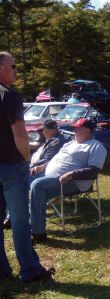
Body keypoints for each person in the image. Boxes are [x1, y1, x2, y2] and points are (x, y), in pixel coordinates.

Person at [0, 52, 54, 282]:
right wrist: (25, 159)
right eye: (13, 66)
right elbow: (20, 135)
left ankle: (2, 272)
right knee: (21, 221)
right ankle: (30, 271)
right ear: (1, 68)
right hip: (12, 166)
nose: (16, 70)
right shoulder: (10, 96)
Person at [30, 118, 107, 242]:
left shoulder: (96, 146)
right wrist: (43, 166)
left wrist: (71, 174)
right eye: (75, 128)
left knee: (37, 186)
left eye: (79, 129)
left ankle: (37, 232)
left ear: (89, 131)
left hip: (72, 182)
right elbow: (57, 159)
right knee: (22, 178)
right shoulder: (70, 143)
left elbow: (93, 171)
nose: (75, 131)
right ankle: (20, 219)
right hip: (52, 177)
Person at [3, 119, 68, 229]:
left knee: (17, 183)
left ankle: (12, 217)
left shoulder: (57, 142)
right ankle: (11, 216)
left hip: (43, 172)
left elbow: (47, 160)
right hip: (38, 170)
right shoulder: (51, 140)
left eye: (44, 130)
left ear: (51, 130)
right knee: (15, 181)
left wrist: (29, 166)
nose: (43, 132)